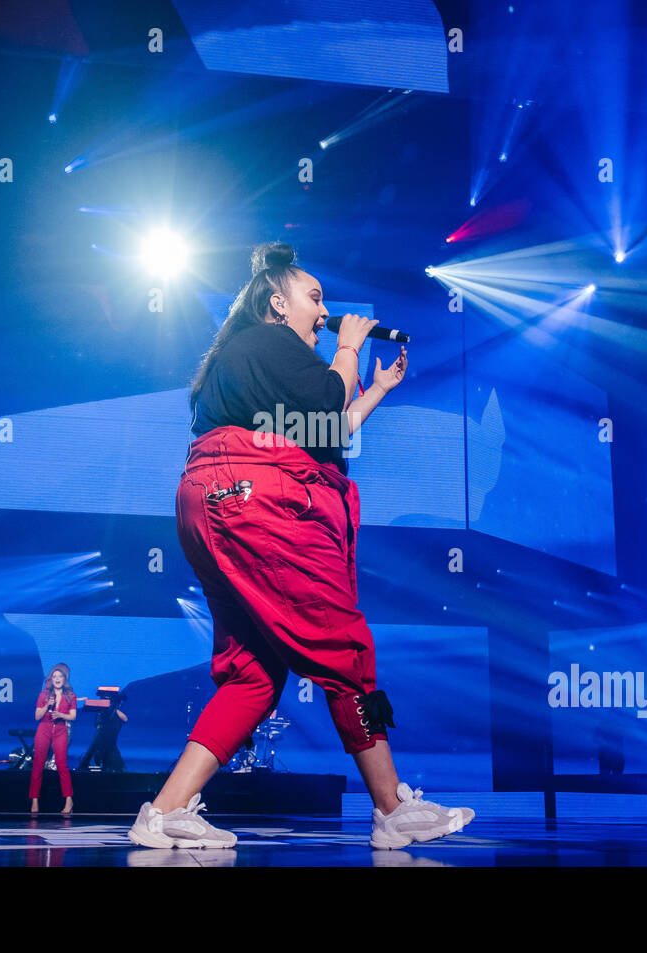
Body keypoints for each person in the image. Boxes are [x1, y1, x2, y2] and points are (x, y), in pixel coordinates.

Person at [128, 241, 474, 849]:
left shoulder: (247, 361)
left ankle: (167, 809)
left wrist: (377, 389)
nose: (324, 310)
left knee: (253, 676)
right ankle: (392, 807)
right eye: (315, 299)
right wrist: (347, 349)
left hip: (219, 499)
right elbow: (323, 400)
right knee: (343, 646)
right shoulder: (269, 341)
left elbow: (324, 430)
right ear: (274, 302)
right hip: (256, 502)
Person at [29, 663, 76, 815]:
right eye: (54, 676)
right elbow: (37, 716)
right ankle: (34, 800)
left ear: (64, 679)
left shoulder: (70, 696)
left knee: (62, 764)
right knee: (38, 764)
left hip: (61, 729)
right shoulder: (44, 695)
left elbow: (73, 716)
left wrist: (61, 715)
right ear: (51, 679)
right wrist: (46, 706)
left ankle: (69, 800)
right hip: (44, 728)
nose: (57, 679)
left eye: (60, 676)